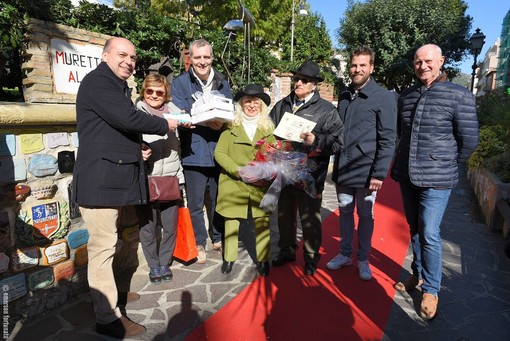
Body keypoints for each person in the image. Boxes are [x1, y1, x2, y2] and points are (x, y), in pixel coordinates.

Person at [72, 37, 178, 338]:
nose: (129, 61)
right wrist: (164, 124)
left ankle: (111, 296)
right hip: (100, 182)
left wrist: (138, 148)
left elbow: (113, 129)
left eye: (132, 57)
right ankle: (108, 317)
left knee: (111, 244)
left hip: (111, 180)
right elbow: (127, 118)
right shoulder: (99, 83)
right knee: (103, 248)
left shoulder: (113, 84)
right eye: (122, 55)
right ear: (105, 55)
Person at [391, 44, 478, 319]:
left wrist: (448, 164)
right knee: (415, 230)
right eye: (417, 62)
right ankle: (417, 275)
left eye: (428, 61)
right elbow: (399, 134)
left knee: (429, 232)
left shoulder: (459, 96)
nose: (423, 66)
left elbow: (469, 140)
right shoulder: (406, 96)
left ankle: (431, 289)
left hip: (436, 180)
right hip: (407, 175)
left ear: (441, 61)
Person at [327, 46, 397, 280]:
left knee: (365, 215)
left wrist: (379, 173)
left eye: (362, 65)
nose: (357, 69)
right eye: (354, 65)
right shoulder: (345, 95)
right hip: (343, 167)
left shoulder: (383, 97)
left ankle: (363, 259)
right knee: (345, 212)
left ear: (372, 68)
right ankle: (345, 253)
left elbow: (388, 139)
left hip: (367, 171)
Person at [270, 61, 344, 276]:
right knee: (284, 216)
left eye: (304, 80)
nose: (299, 82)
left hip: (310, 175)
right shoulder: (283, 104)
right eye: (297, 79)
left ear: (314, 85)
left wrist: (317, 139)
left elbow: (338, 141)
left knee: (310, 219)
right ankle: (287, 250)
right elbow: (268, 129)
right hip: (283, 172)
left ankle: (311, 258)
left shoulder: (326, 110)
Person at [171, 38, 233, 263]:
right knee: (196, 203)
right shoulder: (180, 83)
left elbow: (230, 110)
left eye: (206, 57)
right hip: (193, 152)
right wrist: (200, 121)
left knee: (218, 200)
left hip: (218, 152)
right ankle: (199, 242)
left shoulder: (223, 83)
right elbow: (177, 112)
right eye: (197, 57)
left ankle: (217, 236)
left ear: (212, 58)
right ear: (190, 59)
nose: (202, 61)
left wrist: (223, 122)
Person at [215, 84, 275, 276]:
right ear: (241, 104)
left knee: (262, 220)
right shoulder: (231, 126)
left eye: (255, 101)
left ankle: (264, 259)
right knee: (231, 220)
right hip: (234, 181)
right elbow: (220, 153)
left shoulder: (268, 128)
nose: (251, 105)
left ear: (261, 105)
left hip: (259, 183)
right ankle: (229, 258)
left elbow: (274, 155)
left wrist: (265, 172)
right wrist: (238, 171)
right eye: (247, 101)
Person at [135, 74, 185, 284]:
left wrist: (181, 179)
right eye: (150, 91)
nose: (154, 95)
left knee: (170, 227)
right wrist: (138, 150)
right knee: (148, 228)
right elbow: (127, 141)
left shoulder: (177, 114)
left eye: (159, 92)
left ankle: (165, 262)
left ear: (166, 94)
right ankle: (154, 266)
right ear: (143, 91)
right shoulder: (134, 114)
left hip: (171, 179)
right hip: (146, 179)